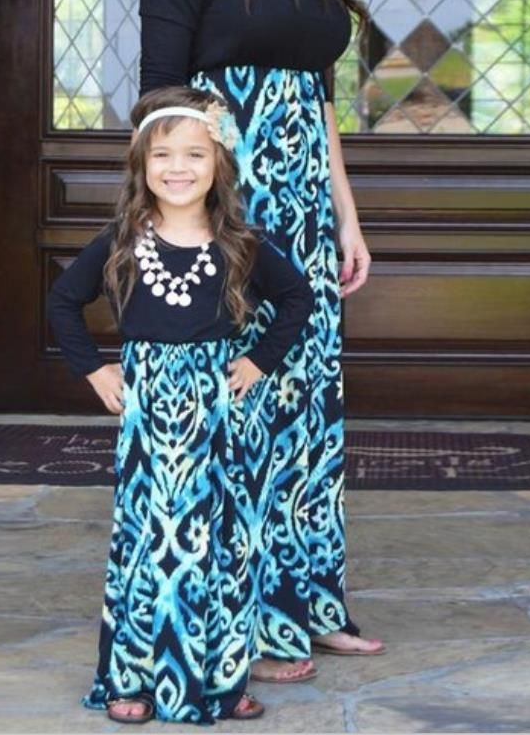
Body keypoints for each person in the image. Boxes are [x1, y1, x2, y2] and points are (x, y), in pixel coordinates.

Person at [138, 0, 385, 683]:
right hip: (229, 215)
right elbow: (161, 101)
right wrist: (187, 226)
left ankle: (307, 603)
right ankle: (240, 623)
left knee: (307, 412)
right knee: (239, 409)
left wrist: (347, 222)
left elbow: (319, 105)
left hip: (309, 219)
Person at [47, 86, 315, 724]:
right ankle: (130, 682)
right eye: (162, 155)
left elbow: (299, 299)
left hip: (215, 410)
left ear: (219, 164)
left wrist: (255, 362)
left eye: (195, 154)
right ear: (141, 165)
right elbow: (63, 300)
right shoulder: (123, 237)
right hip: (148, 411)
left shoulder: (239, 242)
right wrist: (94, 369)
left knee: (221, 542)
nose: (178, 168)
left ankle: (222, 681)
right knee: (145, 542)